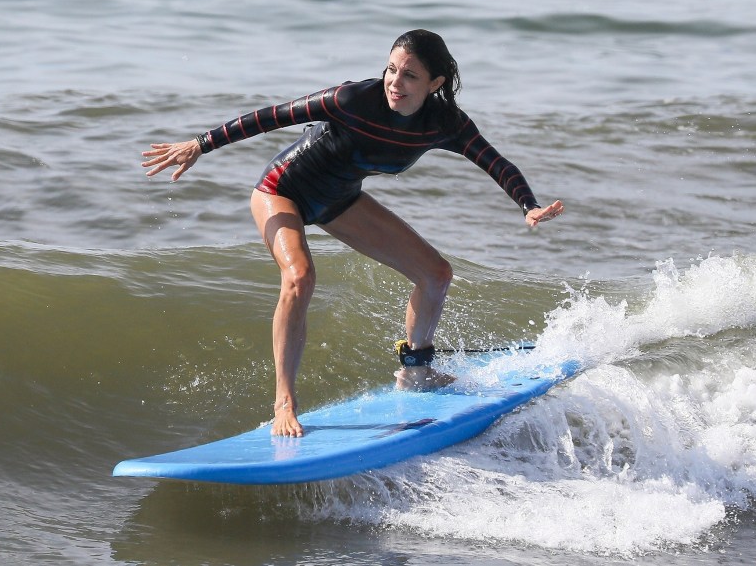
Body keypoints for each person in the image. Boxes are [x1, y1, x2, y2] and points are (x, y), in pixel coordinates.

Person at [141, 29, 564, 438]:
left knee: (436, 274)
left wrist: (528, 205)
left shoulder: (444, 122)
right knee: (300, 277)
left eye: (410, 75)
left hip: (339, 200)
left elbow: (495, 162)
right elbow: (269, 117)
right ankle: (284, 402)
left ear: (434, 83)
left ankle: (416, 370)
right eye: (391, 69)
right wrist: (202, 143)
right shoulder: (351, 99)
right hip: (281, 190)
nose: (395, 83)